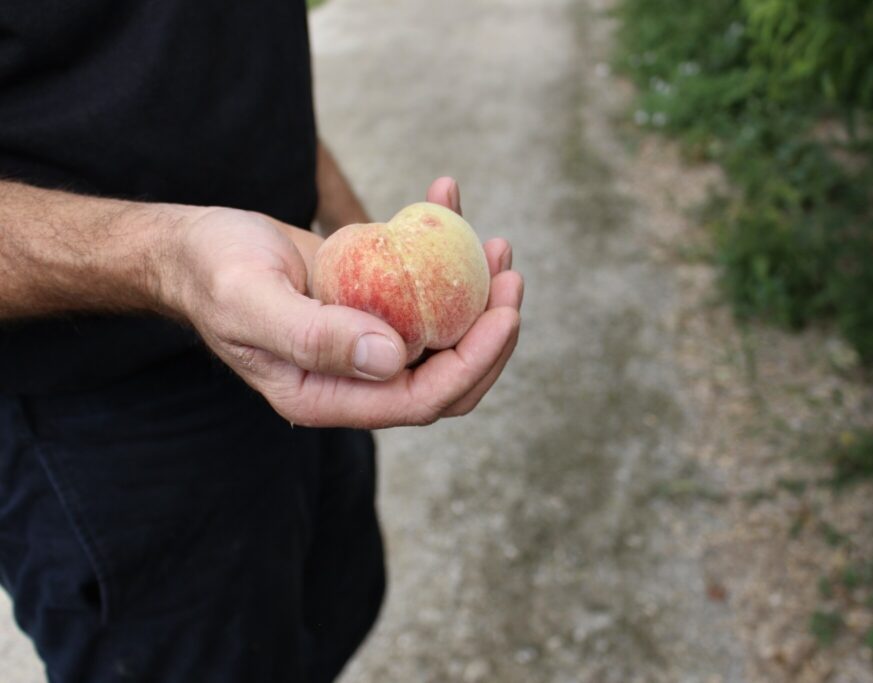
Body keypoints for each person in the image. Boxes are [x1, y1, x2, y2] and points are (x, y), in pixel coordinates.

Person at [0, 1, 523, 682]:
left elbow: (218, 56)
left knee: (326, 618)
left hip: (302, 307)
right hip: (97, 420)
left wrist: (361, 236)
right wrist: (167, 257)